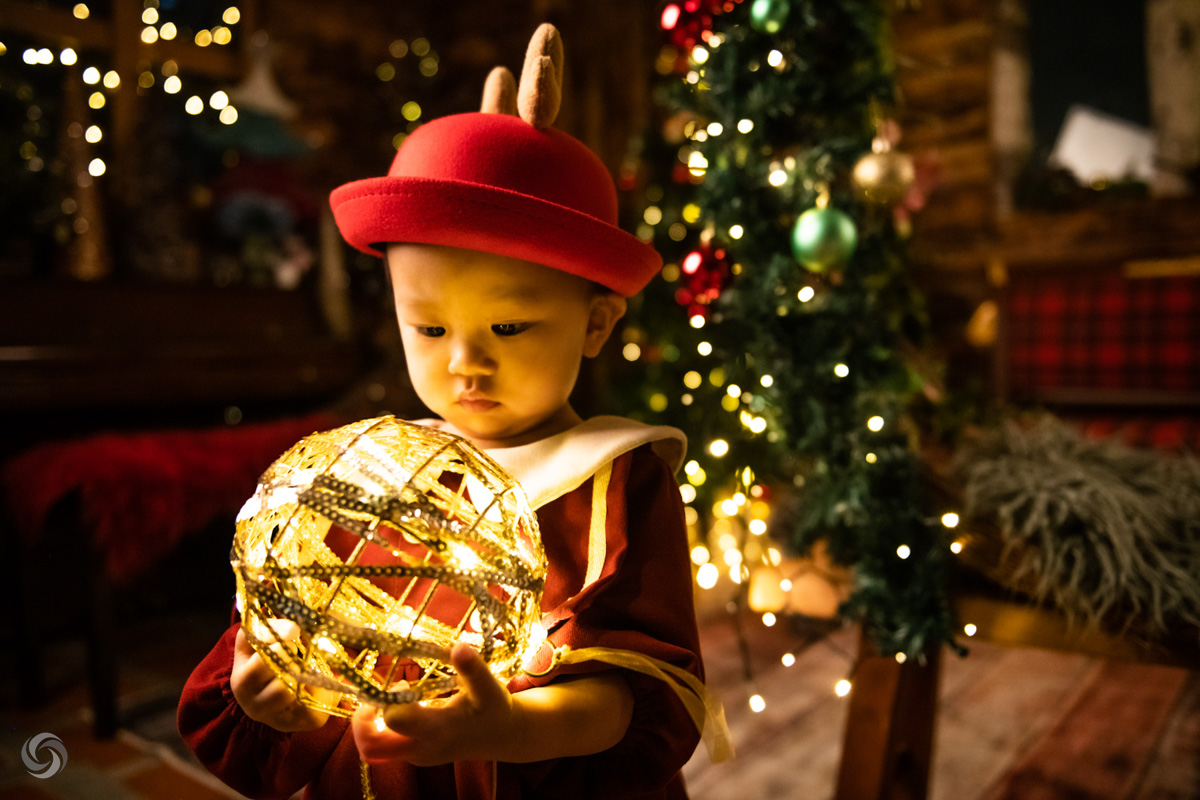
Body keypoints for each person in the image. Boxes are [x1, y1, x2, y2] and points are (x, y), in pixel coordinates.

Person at [178, 24, 726, 800]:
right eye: (429, 328)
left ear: (596, 324)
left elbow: (646, 697)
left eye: (507, 327)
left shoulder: (616, 481)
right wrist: (276, 700)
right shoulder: (362, 483)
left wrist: (509, 731)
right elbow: (304, 626)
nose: (465, 361)